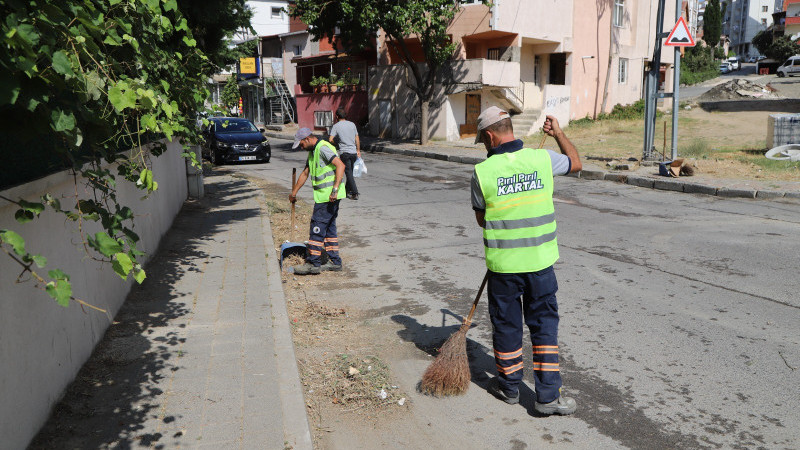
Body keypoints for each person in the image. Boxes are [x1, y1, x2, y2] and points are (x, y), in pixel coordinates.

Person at [470, 106, 582, 415]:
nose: (484, 146)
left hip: (504, 269)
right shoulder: (542, 159)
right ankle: (547, 396)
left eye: (483, 141)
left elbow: (482, 220)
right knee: (544, 327)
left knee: (507, 327)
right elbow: (576, 162)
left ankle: (509, 388)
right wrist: (558, 133)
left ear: (490, 136)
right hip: (540, 263)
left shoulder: (482, 173)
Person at [289, 127, 347, 275]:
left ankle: (313, 263)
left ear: (307, 139)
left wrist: (334, 189)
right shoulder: (313, 151)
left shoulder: (323, 148)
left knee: (317, 227)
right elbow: (305, 173)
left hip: (329, 196)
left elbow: (340, 165)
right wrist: (294, 192)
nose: (301, 147)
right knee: (328, 229)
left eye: (301, 144)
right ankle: (335, 261)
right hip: (325, 196)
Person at [328, 108, 361, 200]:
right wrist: (358, 150)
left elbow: (330, 139)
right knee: (349, 172)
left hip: (344, 153)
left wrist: (336, 143)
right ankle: (346, 191)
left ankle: (355, 192)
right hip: (353, 152)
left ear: (337, 116)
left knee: (348, 173)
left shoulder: (336, 126)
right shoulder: (352, 124)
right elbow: (357, 138)